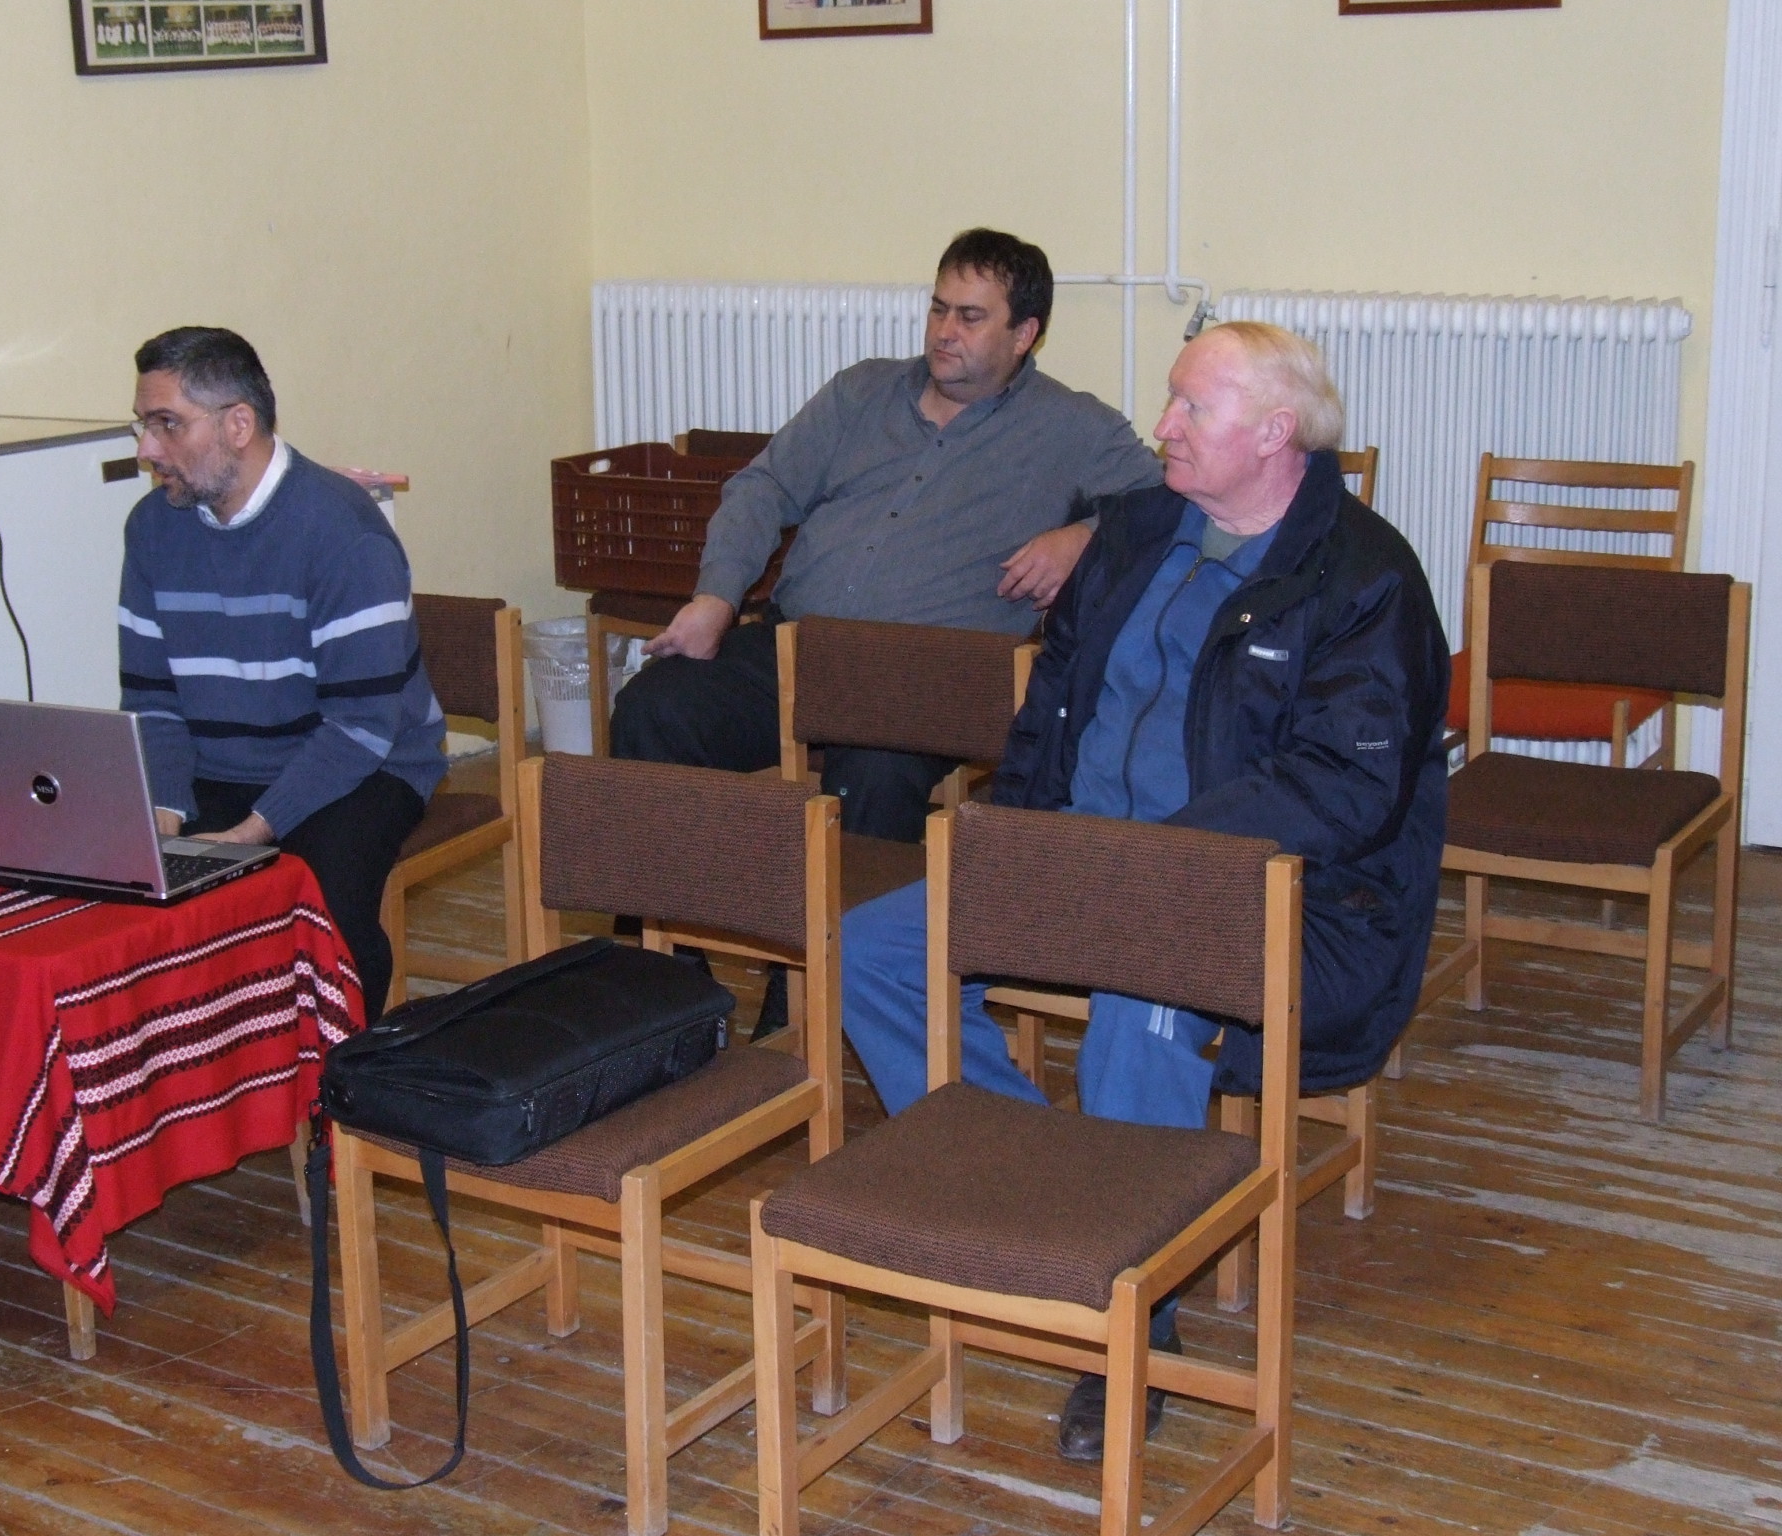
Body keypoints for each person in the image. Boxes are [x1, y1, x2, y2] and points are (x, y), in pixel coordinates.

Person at [838, 321, 1449, 1461]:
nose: (1161, 425)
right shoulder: (1131, 531)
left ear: (1274, 434)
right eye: (1170, 400)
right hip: (1081, 855)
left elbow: (1344, 791)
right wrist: (1011, 846)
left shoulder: (1364, 579)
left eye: (1191, 408)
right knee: (872, 952)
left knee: (1141, 998)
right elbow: (1049, 710)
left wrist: (1154, 865)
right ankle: (1040, 1192)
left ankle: (1132, 1314)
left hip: (1259, 888)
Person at [611, 227, 1163, 846]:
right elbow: (762, 487)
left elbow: (1168, 507)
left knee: (875, 777)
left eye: (970, 317)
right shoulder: (862, 391)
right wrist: (715, 598)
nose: (944, 331)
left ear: (1024, 334)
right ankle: (678, 907)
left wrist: (1084, 538)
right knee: (653, 709)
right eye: (938, 308)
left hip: (927, 674)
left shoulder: (1074, 427)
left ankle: (850, 914)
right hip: (799, 647)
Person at [117, 326, 446, 1023]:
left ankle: (345, 1075)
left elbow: (361, 726)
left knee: (323, 912)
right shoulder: (152, 529)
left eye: (167, 424)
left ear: (238, 425)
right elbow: (150, 698)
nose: (148, 449)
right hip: (220, 763)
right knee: (132, 900)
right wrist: (164, 809)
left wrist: (251, 833)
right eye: (143, 425)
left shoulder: (344, 533)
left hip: (363, 765)